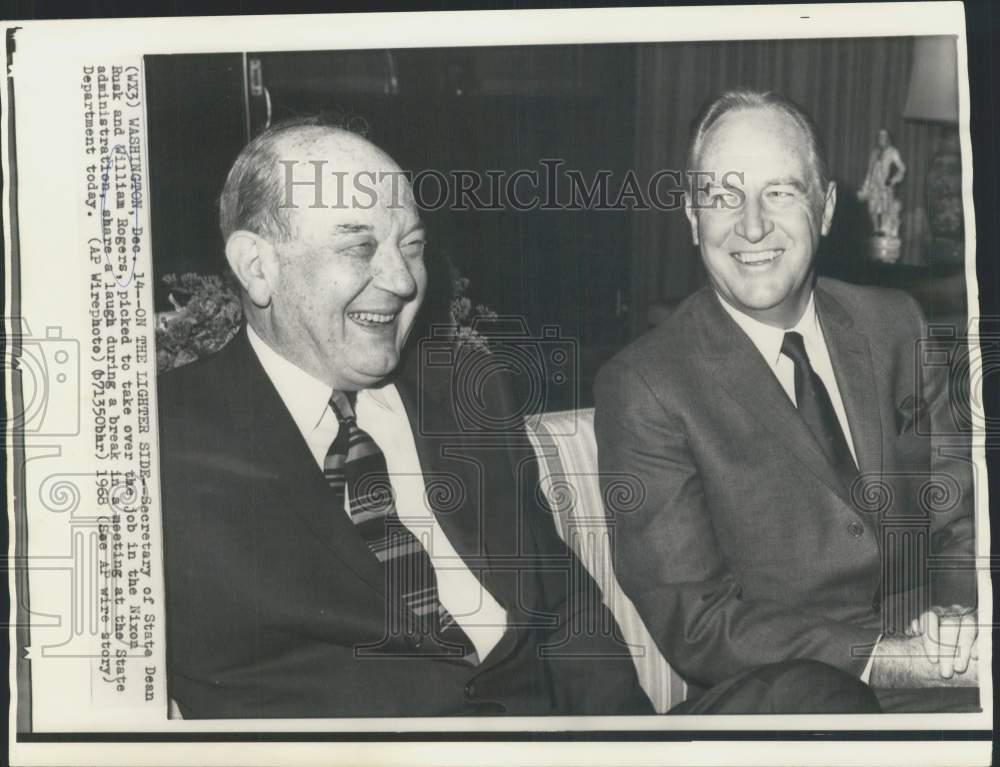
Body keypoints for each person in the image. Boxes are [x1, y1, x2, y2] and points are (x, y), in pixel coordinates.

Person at [157, 117, 653, 718]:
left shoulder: (467, 391)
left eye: (412, 246)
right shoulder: (160, 445)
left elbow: (564, 604)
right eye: (358, 246)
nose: (400, 281)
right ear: (258, 266)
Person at [595, 89, 978, 713]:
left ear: (825, 210)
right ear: (693, 216)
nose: (752, 225)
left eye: (780, 192)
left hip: (953, 669)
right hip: (799, 700)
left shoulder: (896, 324)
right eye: (724, 197)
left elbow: (961, 516)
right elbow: (697, 621)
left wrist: (960, 618)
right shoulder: (644, 386)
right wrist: (890, 658)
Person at [857, 128, 906, 237]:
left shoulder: (893, 152)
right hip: (874, 184)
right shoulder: (874, 152)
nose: (881, 139)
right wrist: (866, 183)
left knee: (885, 208)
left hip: (885, 185)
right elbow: (869, 170)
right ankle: (876, 228)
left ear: (888, 138)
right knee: (872, 208)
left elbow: (902, 168)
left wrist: (893, 180)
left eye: (884, 136)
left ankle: (884, 229)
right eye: (879, 136)